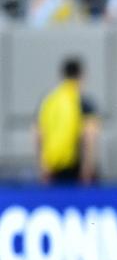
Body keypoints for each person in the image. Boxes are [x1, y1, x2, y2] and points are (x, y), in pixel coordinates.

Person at [35, 57, 100, 185]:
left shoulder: (49, 101)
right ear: (82, 75)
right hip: (76, 168)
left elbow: (38, 134)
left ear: (62, 75)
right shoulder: (83, 101)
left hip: (52, 167)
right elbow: (89, 135)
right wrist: (87, 169)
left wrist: (43, 167)